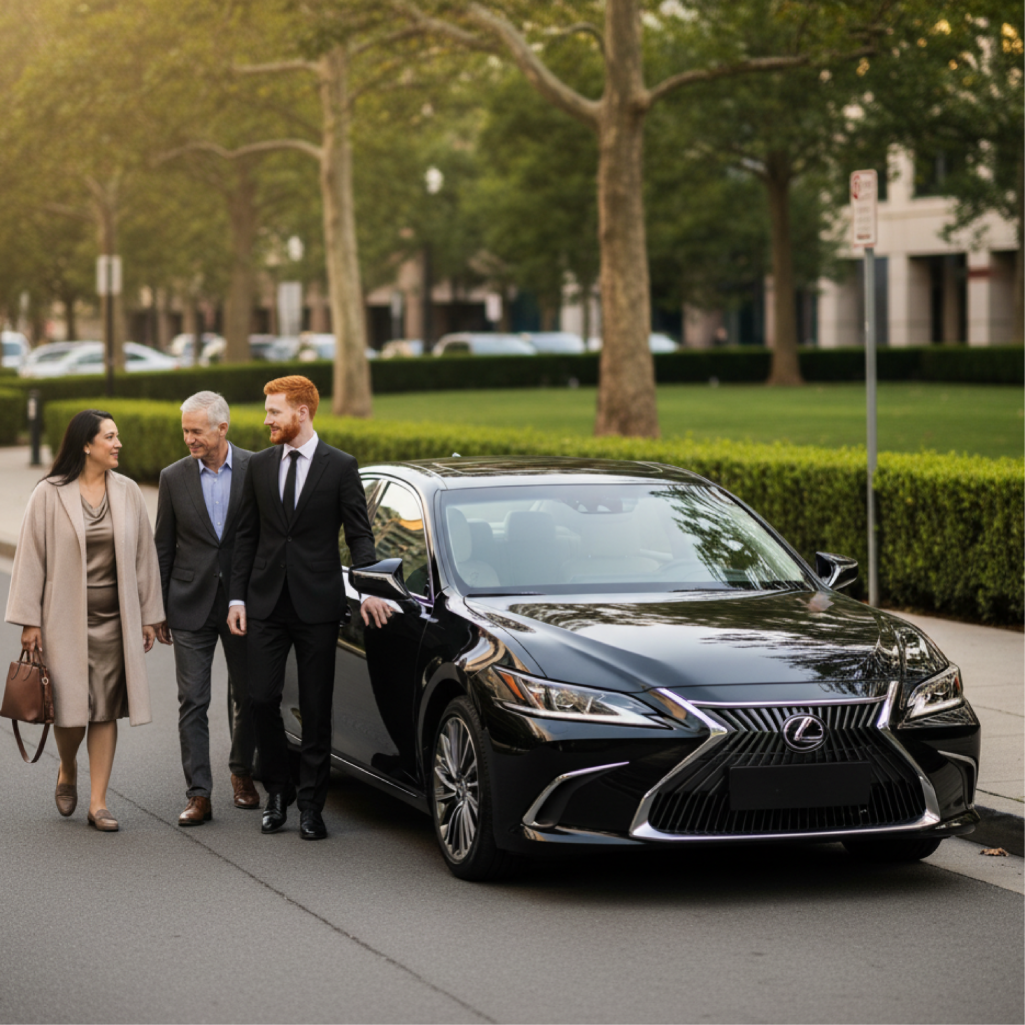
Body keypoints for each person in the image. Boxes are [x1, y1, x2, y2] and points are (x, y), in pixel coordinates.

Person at [227, 376, 392, 840]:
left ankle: (311, 806)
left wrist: (371, 585)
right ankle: (278, 790)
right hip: (264, 603)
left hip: (317, 605)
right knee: (260, 699)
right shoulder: (258, 466)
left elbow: (360, 535)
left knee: (317, 709)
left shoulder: (340, 467)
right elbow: (245, 537)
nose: (266, 420)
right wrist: (237, 597)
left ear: (302, 412)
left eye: (274, 411)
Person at [5, 409, 165, 832]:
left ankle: (98, 802)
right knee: (70, 709)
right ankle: (68, 767)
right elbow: (30, 558)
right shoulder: (49, 493)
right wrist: (29, 620)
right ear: (86, 445)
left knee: (105, 708)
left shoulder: (129, 492)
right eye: (110, 437)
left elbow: (144, 557)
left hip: (115, 619)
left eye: (118, 436)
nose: (118, 444)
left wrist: (150, 615)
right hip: (63, 617)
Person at [154, 391, 259, 827]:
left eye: (196, 431)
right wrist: (156, 607)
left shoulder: (257, 468)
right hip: (188, 603)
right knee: (192, 700)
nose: (189, 439)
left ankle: (241, 773)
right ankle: (199, 793)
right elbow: (163, 545)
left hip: (244, 604)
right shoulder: (172, 477)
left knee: (249, 696)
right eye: (185, 431)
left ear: (222, 428)